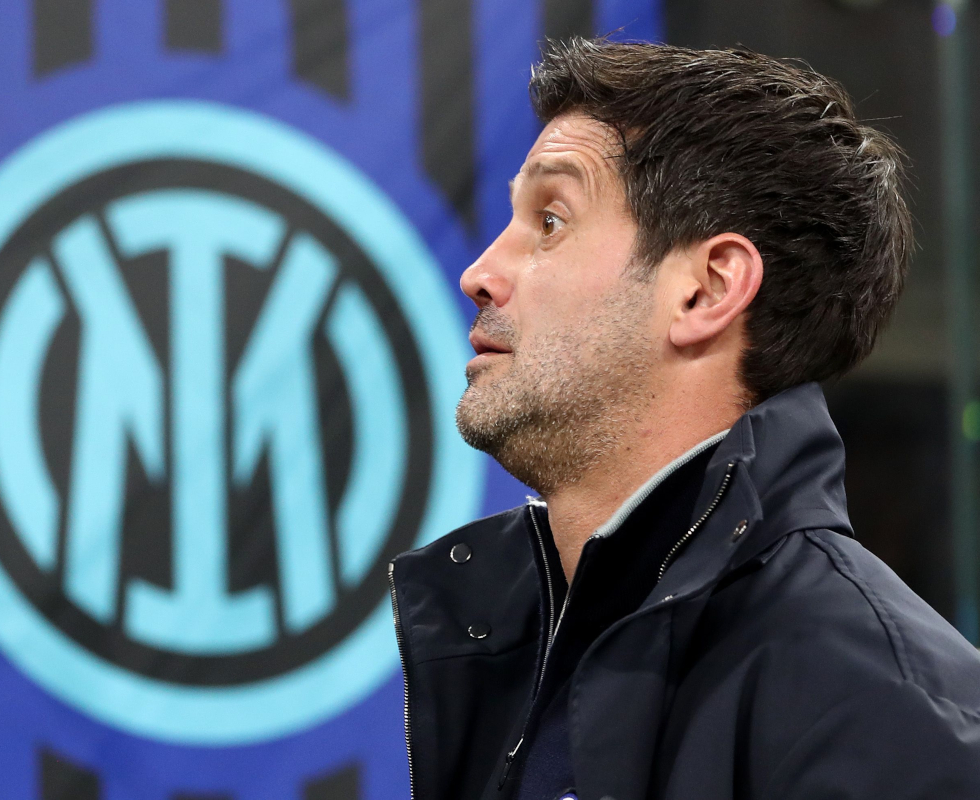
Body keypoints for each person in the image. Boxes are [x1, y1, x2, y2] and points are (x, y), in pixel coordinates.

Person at [388, 38, 980, 800]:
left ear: (706, 290)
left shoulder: (889, 713)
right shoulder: (503, 646)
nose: (480, 272)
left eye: (551, 220)